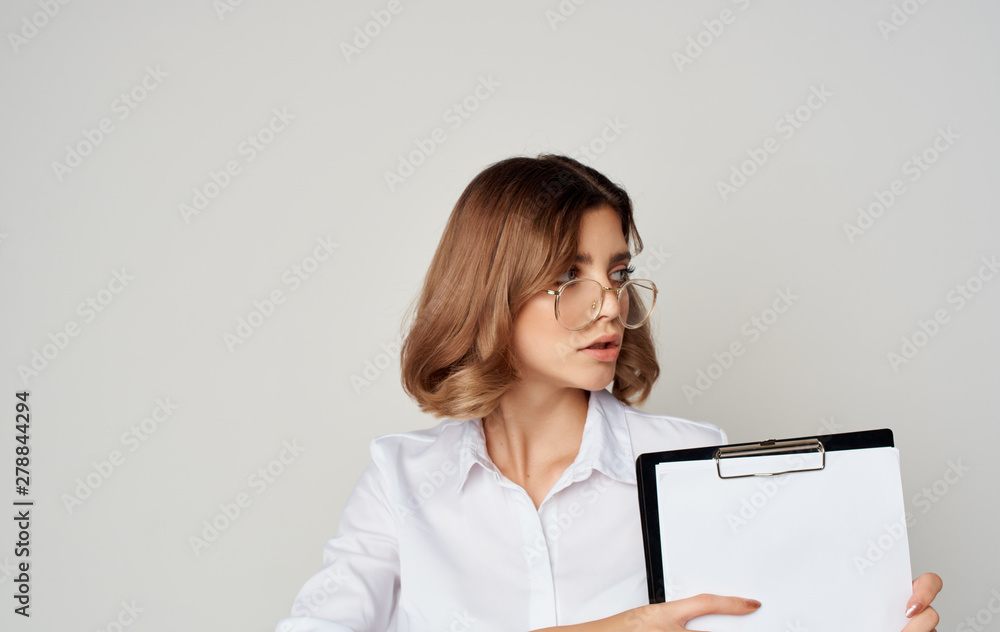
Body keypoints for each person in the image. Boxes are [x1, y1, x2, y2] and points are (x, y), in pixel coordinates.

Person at [275, 155, 941, 632]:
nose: (611, 306)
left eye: (617, 273)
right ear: (491, 293)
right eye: (570, 276)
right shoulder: (400, 479)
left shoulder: (690, 463)